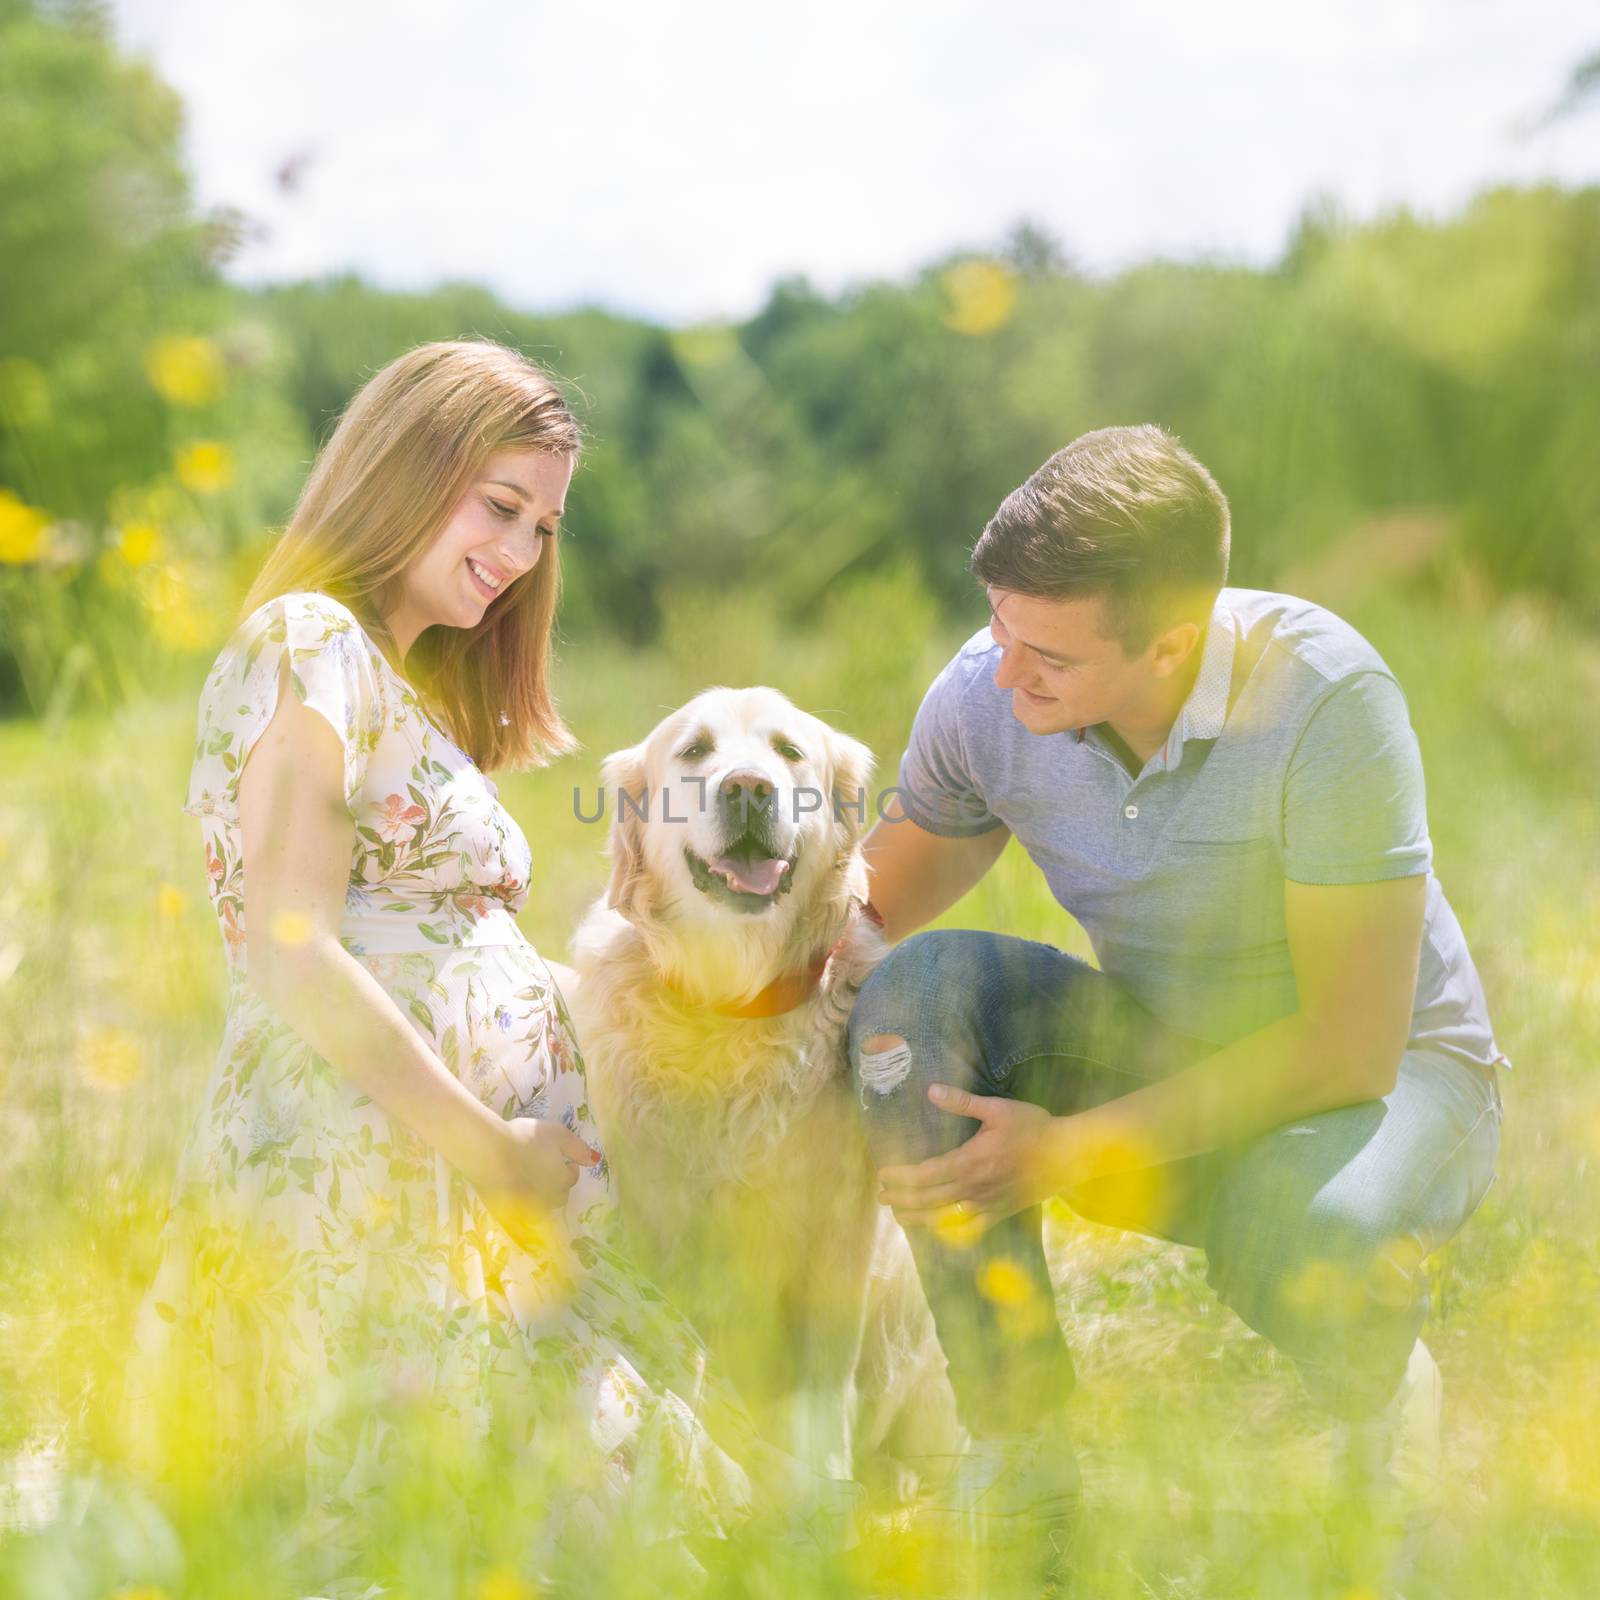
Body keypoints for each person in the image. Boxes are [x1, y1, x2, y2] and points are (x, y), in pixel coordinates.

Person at [122, 340, 768, 1595]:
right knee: (417, 1519)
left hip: (458, 1176)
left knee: (518, 1521)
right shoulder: (309, 639)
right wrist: (492, 1147)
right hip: (374, 1166)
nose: (522, 555)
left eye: (544, 525)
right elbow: (291, 944)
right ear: (408, 469)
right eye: (500, 507)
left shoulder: (399, 682)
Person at [849, 424, 1506, 1565]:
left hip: (1389, 1077)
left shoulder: (1326, 699)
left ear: (1169, 648)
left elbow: (1348, 1048)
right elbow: (861, 911)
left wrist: (1069, 1150)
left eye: (1045, 652)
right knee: (913, 996)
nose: (1005, 672)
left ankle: (1379, 1397)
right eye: (999, 624)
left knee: (1318, 1230)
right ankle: (1023, 1457)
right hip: (1169, 1050)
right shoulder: (985, 690)